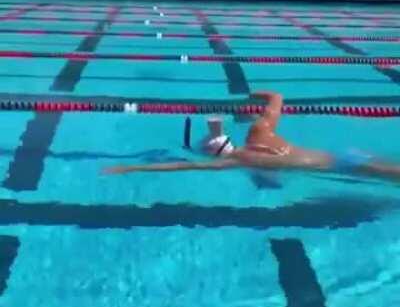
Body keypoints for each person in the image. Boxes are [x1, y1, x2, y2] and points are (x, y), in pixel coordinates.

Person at [102, 90, 400, 182]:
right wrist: (251, 95)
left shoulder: (238, 161)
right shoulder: (260, 132)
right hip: (346, 156)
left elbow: (183, 166)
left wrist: (130, 167)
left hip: (343, 167)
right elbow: (277, 98)